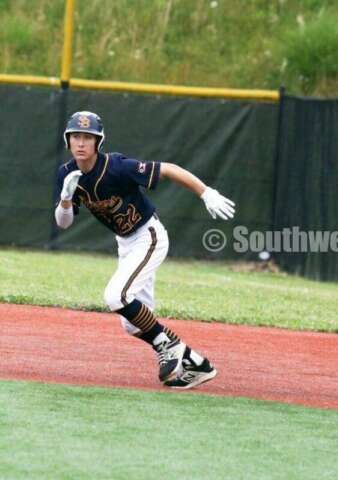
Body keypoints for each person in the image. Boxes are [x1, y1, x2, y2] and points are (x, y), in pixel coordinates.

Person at [54, 111, 236, 390]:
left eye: (88, 137)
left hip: (148, 236)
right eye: (76, 136)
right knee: (133, 323)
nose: (81, 143)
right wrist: (66, 198)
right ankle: (197, 364)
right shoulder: (68, 174)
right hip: (126, 244)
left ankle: (169, 346)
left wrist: (205, 192)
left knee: (115, 296)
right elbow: (63, 223)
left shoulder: (116, 167)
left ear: (97, 142)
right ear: (68, 140)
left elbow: (169, 169)